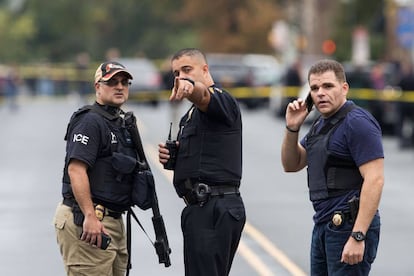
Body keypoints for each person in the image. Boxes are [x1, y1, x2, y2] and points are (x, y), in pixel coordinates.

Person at [281, 59, 384, 275]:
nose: (320, 93)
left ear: (344, 88)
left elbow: (375, 179)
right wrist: (292, 128)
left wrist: (358, 235)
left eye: (328, 86)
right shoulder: (320, 124)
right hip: (323, 224)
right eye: (315, 88)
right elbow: (292, 164)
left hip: (348, 225)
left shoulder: (357, 122)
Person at [158, 48, 246, 276]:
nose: (180, 77)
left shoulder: (220, 98)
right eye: (176, 73)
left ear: (205, 69)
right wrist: (175, 156)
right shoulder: (192, 114)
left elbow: (204, 95)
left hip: (214, 207)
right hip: (201, 208)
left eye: (187, 70)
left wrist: (191, 88)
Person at [53, 61, 142, 276]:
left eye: (124, 82)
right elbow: (76, 170)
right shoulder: (90, 121)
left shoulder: (120, 123)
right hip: (89, 220)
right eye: (112, 82)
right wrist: (90, 216)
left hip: (113, 221)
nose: (120, 87)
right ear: (97, 86)